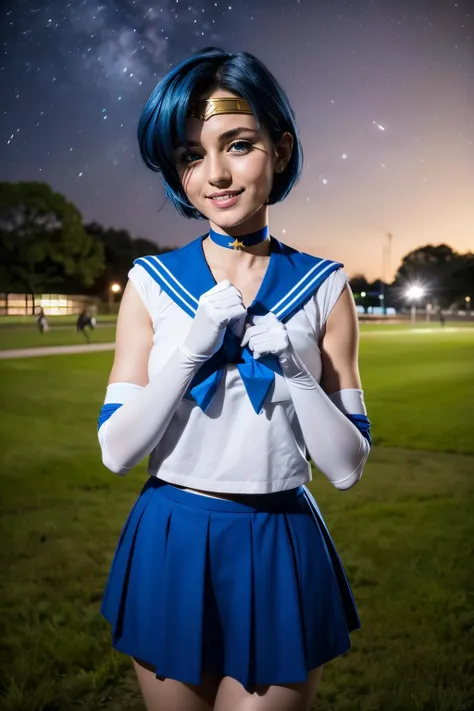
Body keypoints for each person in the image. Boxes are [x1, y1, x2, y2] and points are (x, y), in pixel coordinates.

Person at [97, 47, 372, 711]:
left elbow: (347, 466)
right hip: (171, 533)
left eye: (237, 145)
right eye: (191, 155)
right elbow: (115, 450)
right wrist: (191, 351)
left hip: (279, 538)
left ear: (279, 149)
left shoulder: (324, 285)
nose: (214, 174)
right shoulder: (150, 282)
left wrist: (296, 375)